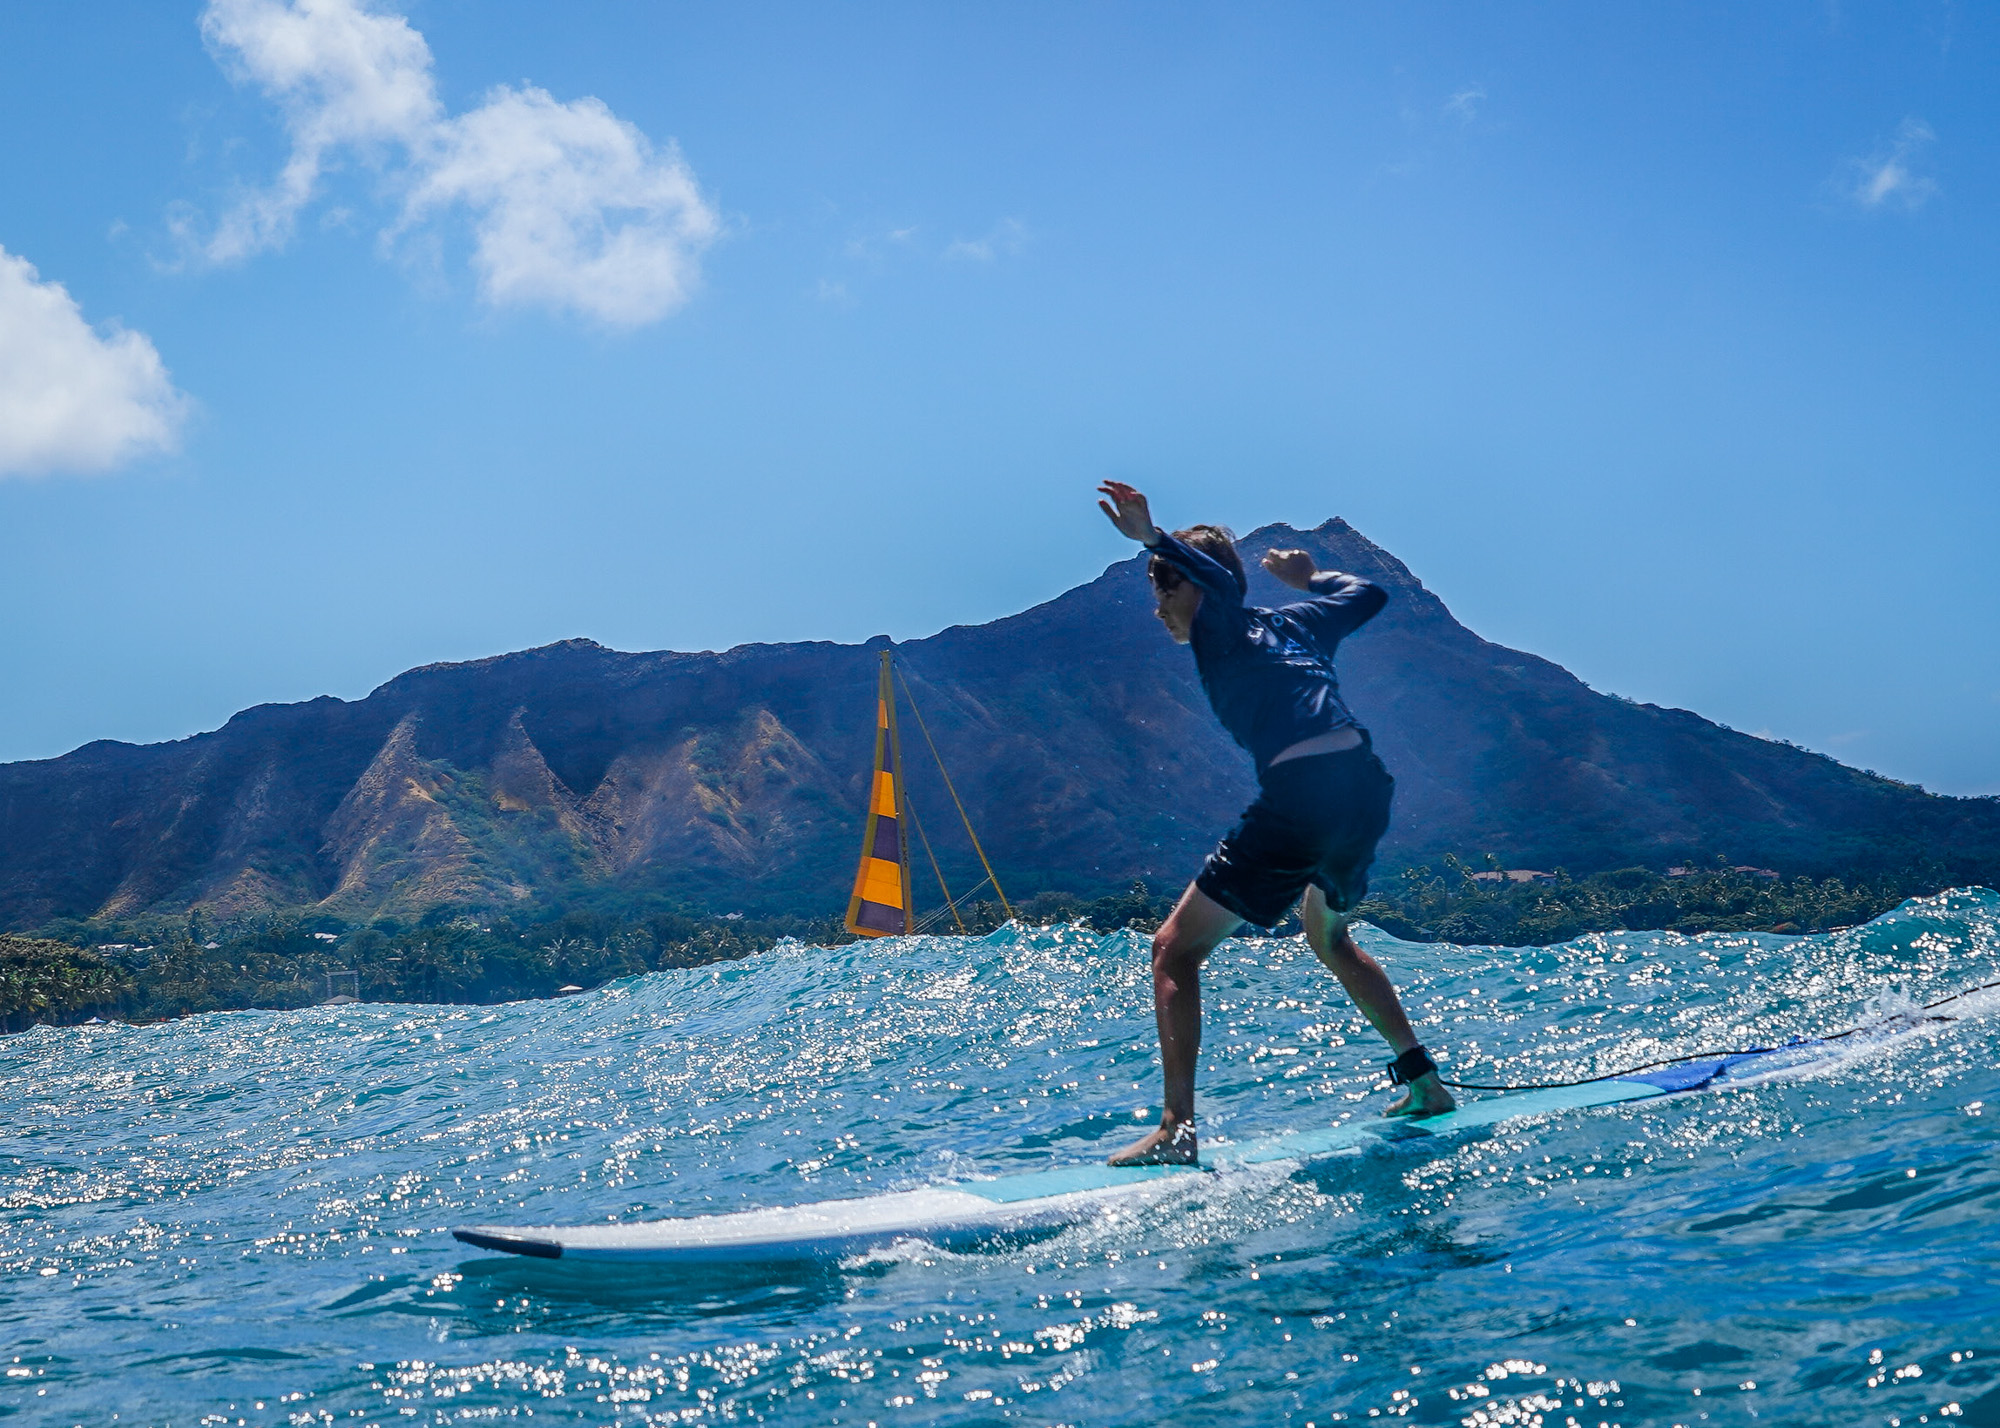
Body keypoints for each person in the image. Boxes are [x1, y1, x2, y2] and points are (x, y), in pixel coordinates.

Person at [1095, 480, 1453, 1166]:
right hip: (1363, 787)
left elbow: (1223, 589)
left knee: (1174, 950)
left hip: (1304, 793)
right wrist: (1313, 578)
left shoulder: (1222, 621)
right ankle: (1425, 1084)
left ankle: (1177, 1130)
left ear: (1192, 586)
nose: (1158, 606)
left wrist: (1152, 537)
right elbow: (1366, 596)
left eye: (1163, 586)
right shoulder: (1293, 625)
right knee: (1328, 935)